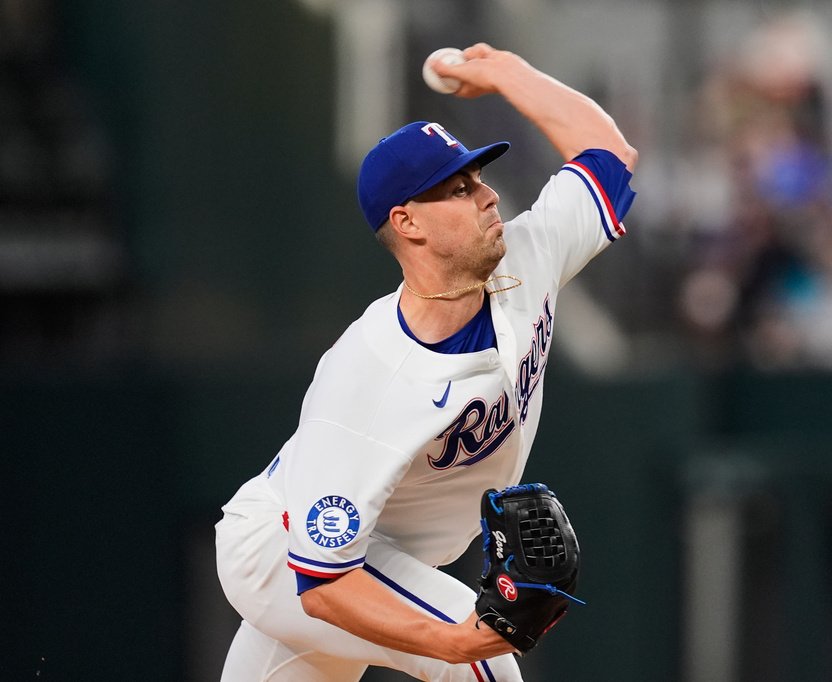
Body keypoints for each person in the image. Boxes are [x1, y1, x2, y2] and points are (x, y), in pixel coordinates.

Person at [215, 42, 638, 682]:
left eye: (481, 178)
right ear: (407, 222)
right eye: (460, 188)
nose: (488, 196)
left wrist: (506, 73)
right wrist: (449, 645)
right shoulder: (368, 379)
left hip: (377, 559)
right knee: (483, 661)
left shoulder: (526, 260)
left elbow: (609, 155)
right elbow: (324, 585)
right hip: (286, 556)